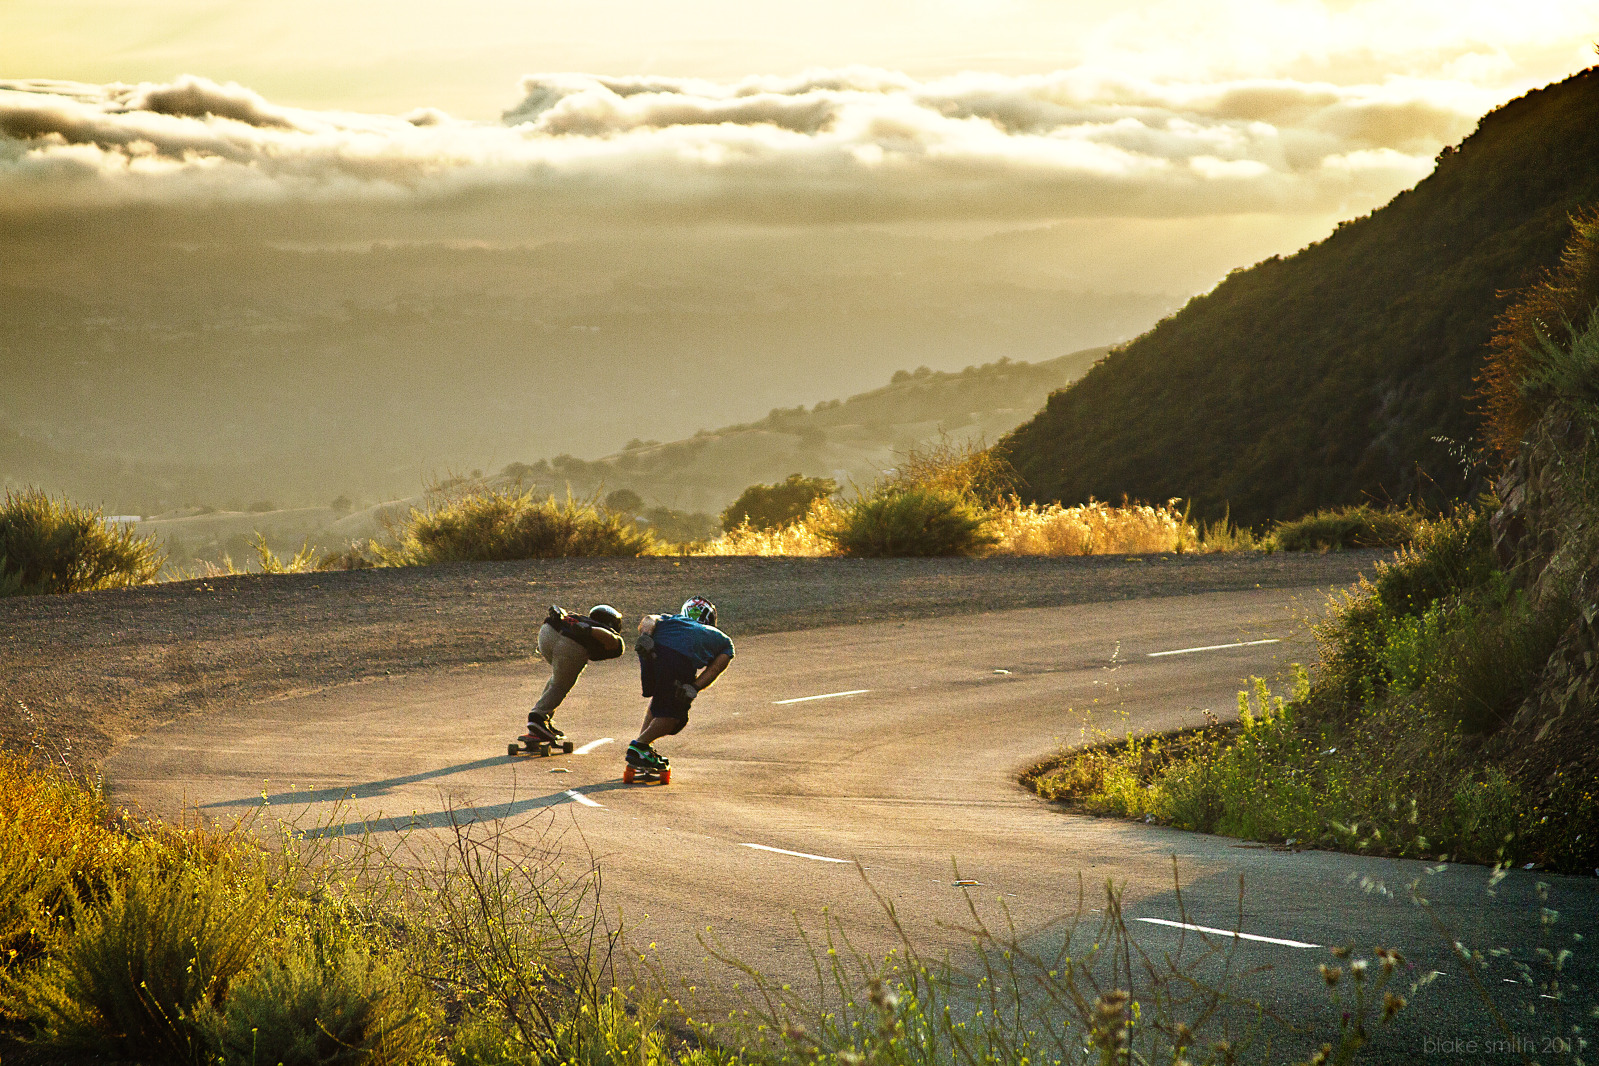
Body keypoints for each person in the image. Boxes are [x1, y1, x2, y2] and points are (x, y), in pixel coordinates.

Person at [628, 596, 733, 771]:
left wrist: (646, 636)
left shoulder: (671, 619)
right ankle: (639, 746)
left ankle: (642, 749)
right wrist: (695, 686)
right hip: (678, 658)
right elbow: (715, 668)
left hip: (653, 651)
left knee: (660, 700)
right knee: (674, 716)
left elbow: (648, 619)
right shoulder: (718, 637)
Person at [521, 603, 625, 746]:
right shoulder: (601, 628)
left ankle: (542, 724)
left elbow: (563, 616)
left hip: (547, 633)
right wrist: (589, 631)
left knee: (558, 680)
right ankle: (538, 718)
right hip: (570, 644)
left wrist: (562, 617)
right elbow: (612, 639)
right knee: (561, 685)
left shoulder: (578, 619)